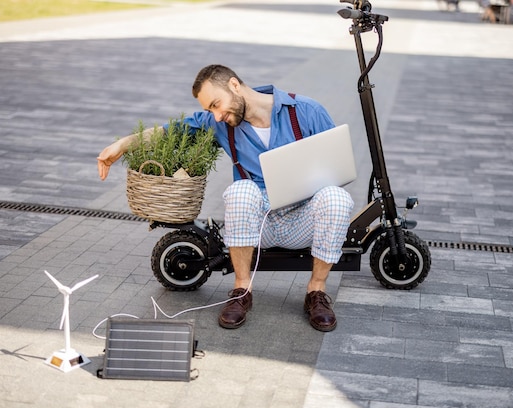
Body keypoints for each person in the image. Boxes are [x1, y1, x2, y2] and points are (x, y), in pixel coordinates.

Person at [97, 64, 354, 332]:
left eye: (216, 104)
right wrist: (122, 145)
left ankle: (316, 291)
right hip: (256, 225)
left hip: (304, 222)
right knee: (240, 191)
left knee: (336, 197)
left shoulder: (306, 110)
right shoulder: (220, 124)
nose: (217, 116)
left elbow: (336, 164)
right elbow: (167, 132)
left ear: (234, 85)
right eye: (211, 110)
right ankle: (242, 290)